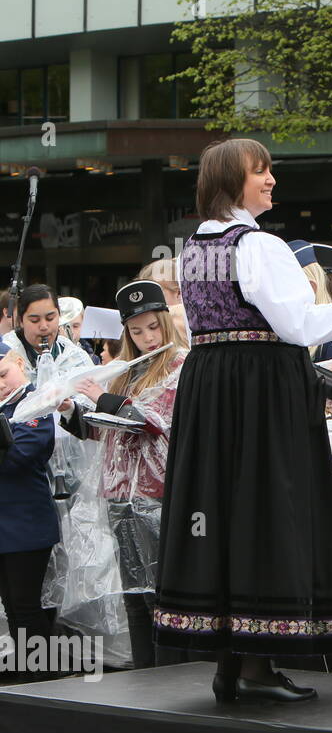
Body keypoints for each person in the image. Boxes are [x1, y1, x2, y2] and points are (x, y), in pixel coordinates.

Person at [154, 137, 332, 704]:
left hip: (215, 387)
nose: (271, 180)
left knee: (225, 511)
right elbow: (298, 325)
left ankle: (234, 658)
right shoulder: (259, 244)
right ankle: (256, 662)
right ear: (232, 181)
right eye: (260, 172)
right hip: (260, 388)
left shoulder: (194, 246)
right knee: (266, 509)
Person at [59, 281, 187, 670]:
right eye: (136, 330)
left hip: (160, 494)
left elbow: (156, 421)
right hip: (119, 496)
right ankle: (147, 674)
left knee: (164, 594)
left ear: (166, 323)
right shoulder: (125, 371)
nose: (147, 337)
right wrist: (69, 410)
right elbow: (107, 429)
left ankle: (175, 673)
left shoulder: (183, 364)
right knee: (134, 593)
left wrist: (102, 397)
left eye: (153, 327)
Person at [0, 348, 59, 681]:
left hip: (27, 524)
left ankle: (40, 680)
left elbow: (20, 455)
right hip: (7, 525)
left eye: (3, 373)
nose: (0, 384)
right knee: (12, 606)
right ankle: (27, 675)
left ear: (19, 363)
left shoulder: (35, 403)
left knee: (26, 606)